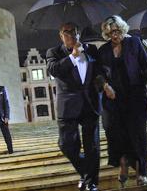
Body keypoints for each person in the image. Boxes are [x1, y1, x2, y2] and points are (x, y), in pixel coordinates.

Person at [98, 16, 147, 187]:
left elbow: (146, 66)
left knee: (138, 133)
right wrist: (105, 86)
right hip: (114, 99)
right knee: (117, 132)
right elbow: (99, 73)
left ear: (122, 30)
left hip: (135, 96)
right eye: (110, 33)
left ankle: (142, 172)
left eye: (117, 31)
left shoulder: (134, 43)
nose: (114, 35)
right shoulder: (103, 51)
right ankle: (124, 161)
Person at [47, 22, 104, 191]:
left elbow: (100, 70)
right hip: (68, 106)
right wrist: (73, 56)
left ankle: (91, 183)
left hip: (90, 103)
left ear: (79, 33)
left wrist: (104, 84)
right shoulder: (54, 52)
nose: (72, 35)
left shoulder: (92, 49)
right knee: (66, 144)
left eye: (75, 31)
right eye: (67, 32)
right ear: (61, 35)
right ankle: (88, 174)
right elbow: (54, 70)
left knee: (92, 146)